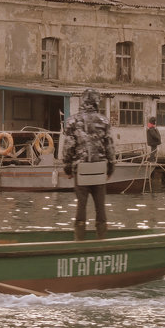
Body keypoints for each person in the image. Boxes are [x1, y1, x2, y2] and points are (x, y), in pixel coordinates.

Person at [61, 88, 116, 241]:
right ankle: (101, 239)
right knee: (100, 206)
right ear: (97, 102)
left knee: (81, 205)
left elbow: (68, 148)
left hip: (81, 170)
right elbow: (110, 148)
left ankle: (79, 240)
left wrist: (67, 168)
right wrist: (110, 168)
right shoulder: (104, 121)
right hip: (99, 170)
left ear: (82, 101)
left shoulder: (72, 121)